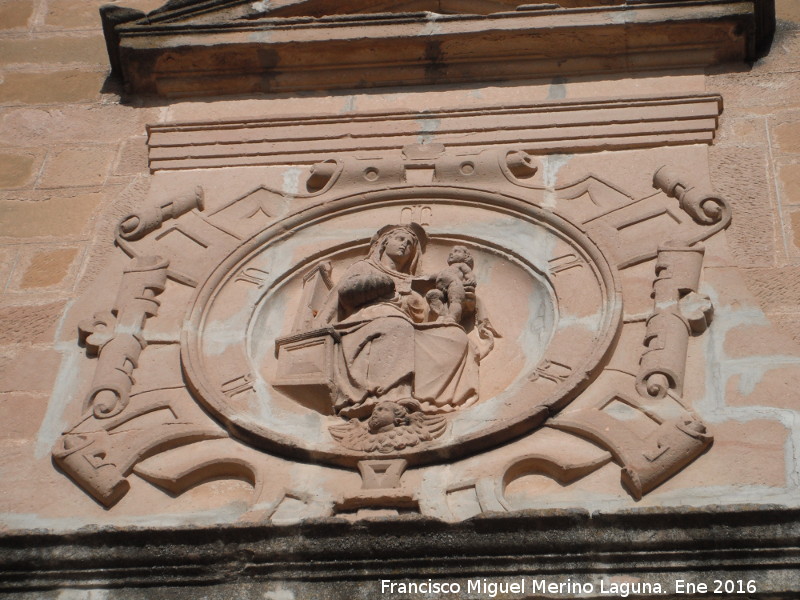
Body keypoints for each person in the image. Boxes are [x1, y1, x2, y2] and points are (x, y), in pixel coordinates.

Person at [314, 224, 479, 418]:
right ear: (384, 243)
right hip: (364, 325)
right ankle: (389, 396)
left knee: (456, 336)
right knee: (396, 325)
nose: (405, 246)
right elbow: (344, 295)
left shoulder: (412, 282)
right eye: (400, 239)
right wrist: (384, 283)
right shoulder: (364, 267)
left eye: (409, 244)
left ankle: (427, 400)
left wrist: (455, 303)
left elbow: (423, 316)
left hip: (406, 328)